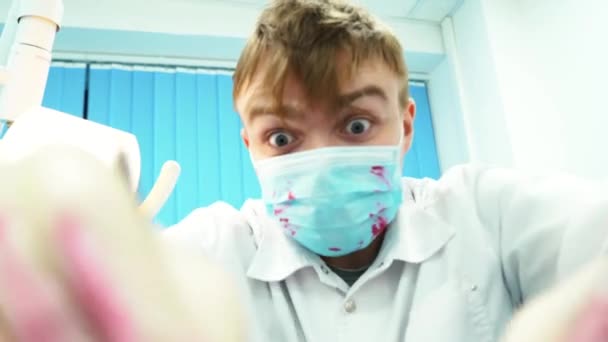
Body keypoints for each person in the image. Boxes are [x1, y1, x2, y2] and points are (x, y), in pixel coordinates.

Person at [0, 0, 606, 341]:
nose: (320, 159)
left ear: (407, 122)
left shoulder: (487, 213)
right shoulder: (216, 247)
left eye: (356, 125)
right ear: (249, 144)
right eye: (283, 136)